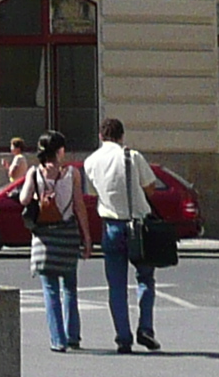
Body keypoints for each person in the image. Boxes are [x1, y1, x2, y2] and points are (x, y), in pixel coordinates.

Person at [83, 117, 162, 352]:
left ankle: (123, 337)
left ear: (100, 136)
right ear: (121, 136)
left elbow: (93, 192)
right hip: (137, 225)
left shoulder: (90, 162)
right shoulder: (132, 156)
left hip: (111, 226)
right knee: (145, 278)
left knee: (116, 286)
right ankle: (145, 328)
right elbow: (150, 187)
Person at [24, 133, 89, 353]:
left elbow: (23, 199)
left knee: (50, 289)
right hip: (68, 234)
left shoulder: (35, 173)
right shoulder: (72, 174)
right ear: (59, 151)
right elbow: (79, 206)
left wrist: (37, 187)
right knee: (70, 287)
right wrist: (86, 238)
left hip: (44, 237)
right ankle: (73, 336)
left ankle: (57, 339)